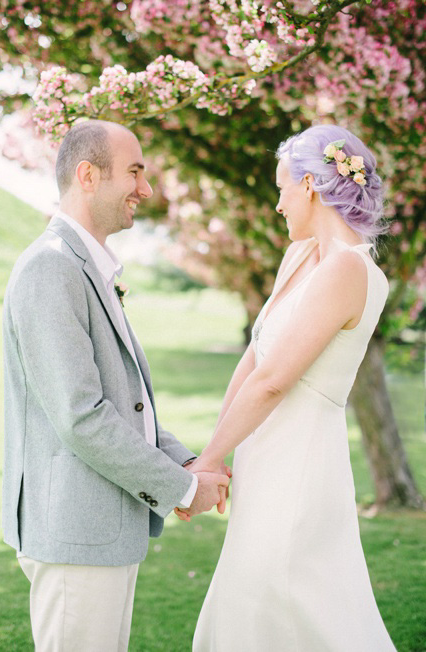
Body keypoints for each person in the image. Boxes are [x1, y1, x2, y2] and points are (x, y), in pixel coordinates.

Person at [2, 119, 230, 651]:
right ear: (88, 175)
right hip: (75, 537)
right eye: (134, 172)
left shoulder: (84, 268)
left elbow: (125, 407)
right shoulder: (50, 269)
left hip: (102, 531)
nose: (146, 190)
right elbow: (83, 416)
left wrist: (187, 463)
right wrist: (186, 488)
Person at [187, 125, 396, 651]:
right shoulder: (301, 257)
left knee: (284, 595)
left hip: (301, 457)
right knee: (250, 588)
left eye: (281, 188)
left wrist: (207, 460)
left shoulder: (350, 270)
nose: (278, 204)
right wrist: (214, 457)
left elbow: (275, 382)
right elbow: (255, 356)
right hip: (264, 451)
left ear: (308, 186)